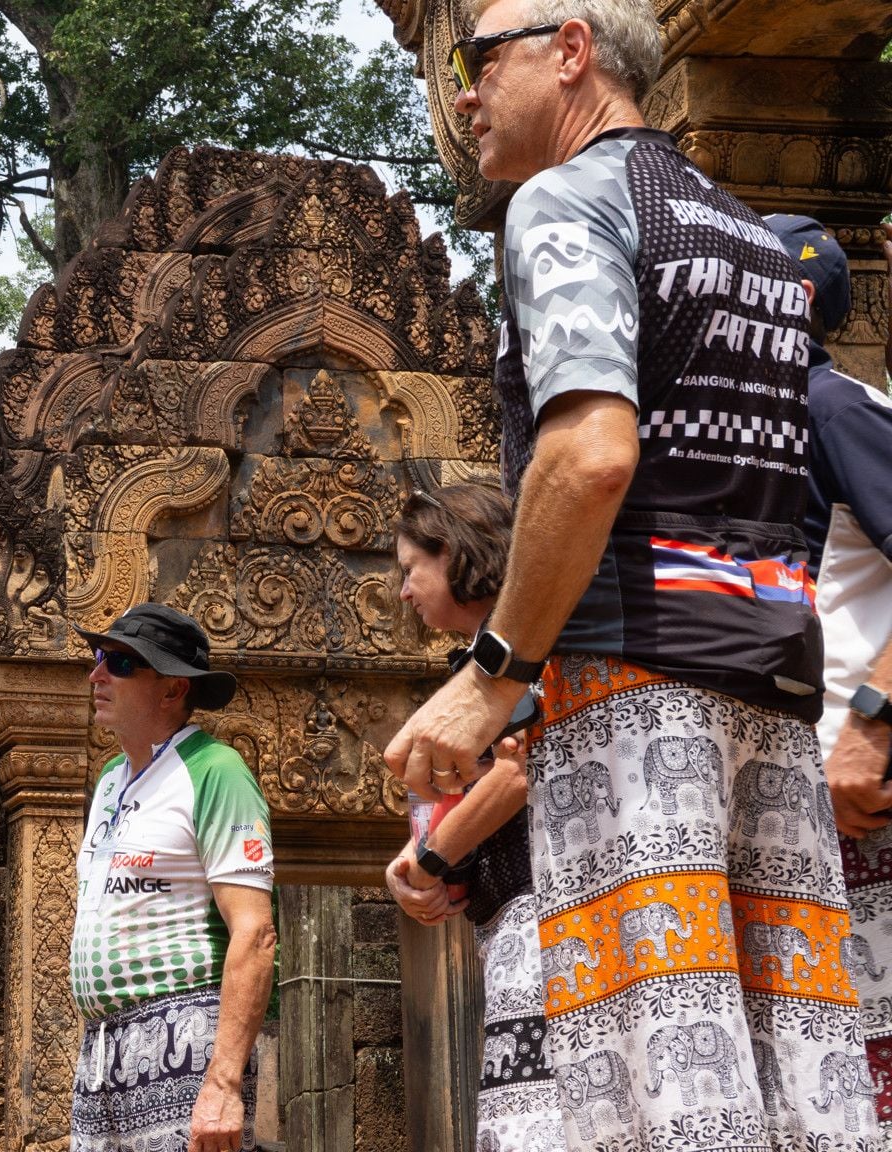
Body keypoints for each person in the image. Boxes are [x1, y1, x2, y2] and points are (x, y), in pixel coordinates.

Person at [386, 0, 875, 1147]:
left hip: (629, 694)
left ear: (569, 53)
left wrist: (491, 672)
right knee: (792, 1073)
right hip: (769, 692)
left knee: (653, 1075)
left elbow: (591, 454)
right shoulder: (754, 241)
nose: (461, 93)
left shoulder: (566, 201)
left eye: (475, 60)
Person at [383, 484, 561, 1151]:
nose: (404, 592)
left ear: (453, 552)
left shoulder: (515, 654)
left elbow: (519, 771)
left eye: (410, 569)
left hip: (545, 916)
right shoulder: (488, 658)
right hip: (516, 918)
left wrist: (427, 862)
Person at [67, 603, 275, 1152]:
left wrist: (225, 1082)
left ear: (172, 690)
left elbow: (255, 934)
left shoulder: (217, 771)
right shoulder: (112, 781)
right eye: (98, 657)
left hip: (185, 1045)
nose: (97, 674)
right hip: (101, 1053)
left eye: (119, 663)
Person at [770, 213, 892, 1126]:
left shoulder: (833, 408)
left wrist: (871, 722)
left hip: (861, 783)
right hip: (797, 792)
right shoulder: (742, 429)